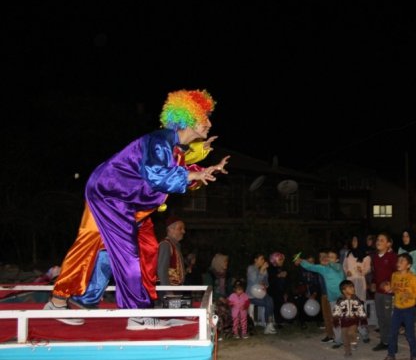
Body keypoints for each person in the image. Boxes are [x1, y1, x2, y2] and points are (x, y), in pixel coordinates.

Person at [43, 89, 229, 329]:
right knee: (124, 252)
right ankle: (135, 313)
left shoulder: (175, 150)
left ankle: (84, 301)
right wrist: (194, 173)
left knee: (144, 249)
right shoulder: (159, 140)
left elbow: (178, 172)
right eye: (205, 118)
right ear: (190, 119)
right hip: (111, 195)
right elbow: (157, 175)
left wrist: (203, 172)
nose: (210, 123)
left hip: (133, 205)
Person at [382, 253, 416, 360]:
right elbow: (394, 289)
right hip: (397, 308)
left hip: (409, 309)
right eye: (398, 261)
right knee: (392, 332)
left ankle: (414, 355)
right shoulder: (394, 275)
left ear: (408, 265)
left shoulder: (412, 277)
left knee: (409, 334)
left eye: (402, 261)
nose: (398, 263)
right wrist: (390, 290)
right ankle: (391, 354)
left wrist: (409, 295)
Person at [331, 279, 368, 357]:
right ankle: (347, 351)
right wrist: (335, 319)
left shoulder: (356, 298)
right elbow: (337, 309)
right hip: (344, 321)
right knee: (344, 336)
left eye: (353, 287)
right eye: (350, 287)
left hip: (354, 320)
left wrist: (363, 318)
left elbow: (360, 308)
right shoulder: (340, 300)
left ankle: (354, 341)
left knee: (351, 332)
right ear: (344, 290)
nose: (353, 289)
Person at [155, 216, 186, 306]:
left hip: (174, 290)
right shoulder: (166, 245)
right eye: (180, 228)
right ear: (171, 229)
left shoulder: (174, 245)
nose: (183, 231)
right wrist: (168, 292)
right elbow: (161, 271)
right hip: (168, 291)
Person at [246, 253, 277, 334]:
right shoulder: (251, 268)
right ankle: (268, 325)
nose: (263, 261)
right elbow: (254, 282)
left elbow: (266, 282)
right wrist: (261, 271)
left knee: (270, 300)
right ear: (255, 260)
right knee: (268, 302)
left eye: (263, 259)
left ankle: (269, 325)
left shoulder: (264, 270)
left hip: (261, 294)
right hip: (251, 296)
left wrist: (265, 285)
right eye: (261, 259)